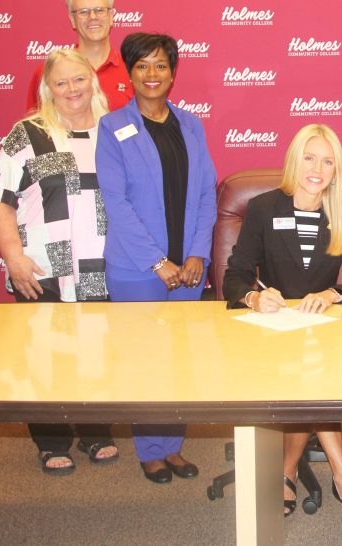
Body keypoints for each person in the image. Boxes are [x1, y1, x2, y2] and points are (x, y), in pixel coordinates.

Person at [223, 124, 342, 525]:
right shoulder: (264, 209)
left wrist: (334, 293)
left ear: (336, 169)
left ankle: (288, 470)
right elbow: (235, 277)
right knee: (311, 376)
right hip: (274, 331)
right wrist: (255, 297)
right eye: (310, 158)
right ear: (295, 161)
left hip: (323, 331)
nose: (317, 169)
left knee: (313, 372)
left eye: (327, 162)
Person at [0, 48, 118, 474]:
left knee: (98, 350)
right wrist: (13, 257)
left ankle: (96, 431)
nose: (71, 89)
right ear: (48, 88)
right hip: (43, 267)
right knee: (42, 354)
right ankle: (52, 439)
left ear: (92, 81)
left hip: (104, 266)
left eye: (79, 79)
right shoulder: (28, 134)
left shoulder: (114, 131)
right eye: (60, 82)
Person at [96, 32, 217, 483]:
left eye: (161, 65)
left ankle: (172, 446)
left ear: (173, 73)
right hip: (136, 269)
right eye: (142, 65)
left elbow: (206, 193)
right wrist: (157, 262)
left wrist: (197, 253)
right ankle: (150, 450)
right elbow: (116, 203)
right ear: (129, 74)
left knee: (180, 360)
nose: (152, 74)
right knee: (142, 361)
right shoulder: (113, 127)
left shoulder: (191, 124)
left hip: (187, 269)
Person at [27, 0, 133, 112]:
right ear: (72, 19)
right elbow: (35, 123)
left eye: (100, 10)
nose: (93, 17)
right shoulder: (48, 72)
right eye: (83, 12)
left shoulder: (133, 71)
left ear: (111, 16)